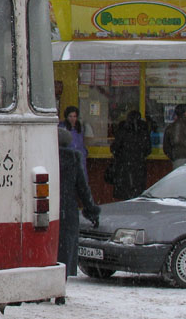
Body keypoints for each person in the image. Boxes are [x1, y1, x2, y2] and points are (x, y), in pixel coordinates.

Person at [58, 127, 100, 281]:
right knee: (65, 249)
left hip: (48, 209)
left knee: (50, 249)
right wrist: (92, 211)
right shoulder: (74, 159)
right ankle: (61, 286)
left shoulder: (44, 157)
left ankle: (47, 286)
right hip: (68, 210)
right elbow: (83, 189)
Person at [110, 110, 152, 200]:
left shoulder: (123, 130)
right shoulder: (143, 131)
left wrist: (120, 155)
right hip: (139, 165)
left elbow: (114, 148)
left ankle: (126, 208)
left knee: (125, 192)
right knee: (137, 191)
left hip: (124, 165)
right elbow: (148, 149)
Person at [58, 105, 90, 169]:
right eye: (70, 116)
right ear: (66, 117)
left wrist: (84, 152)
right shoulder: (62, 128)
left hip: (80, 159)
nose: (72, 119)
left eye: (74, 116)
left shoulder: (79, 128)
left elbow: (81, 143)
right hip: (68, 160)